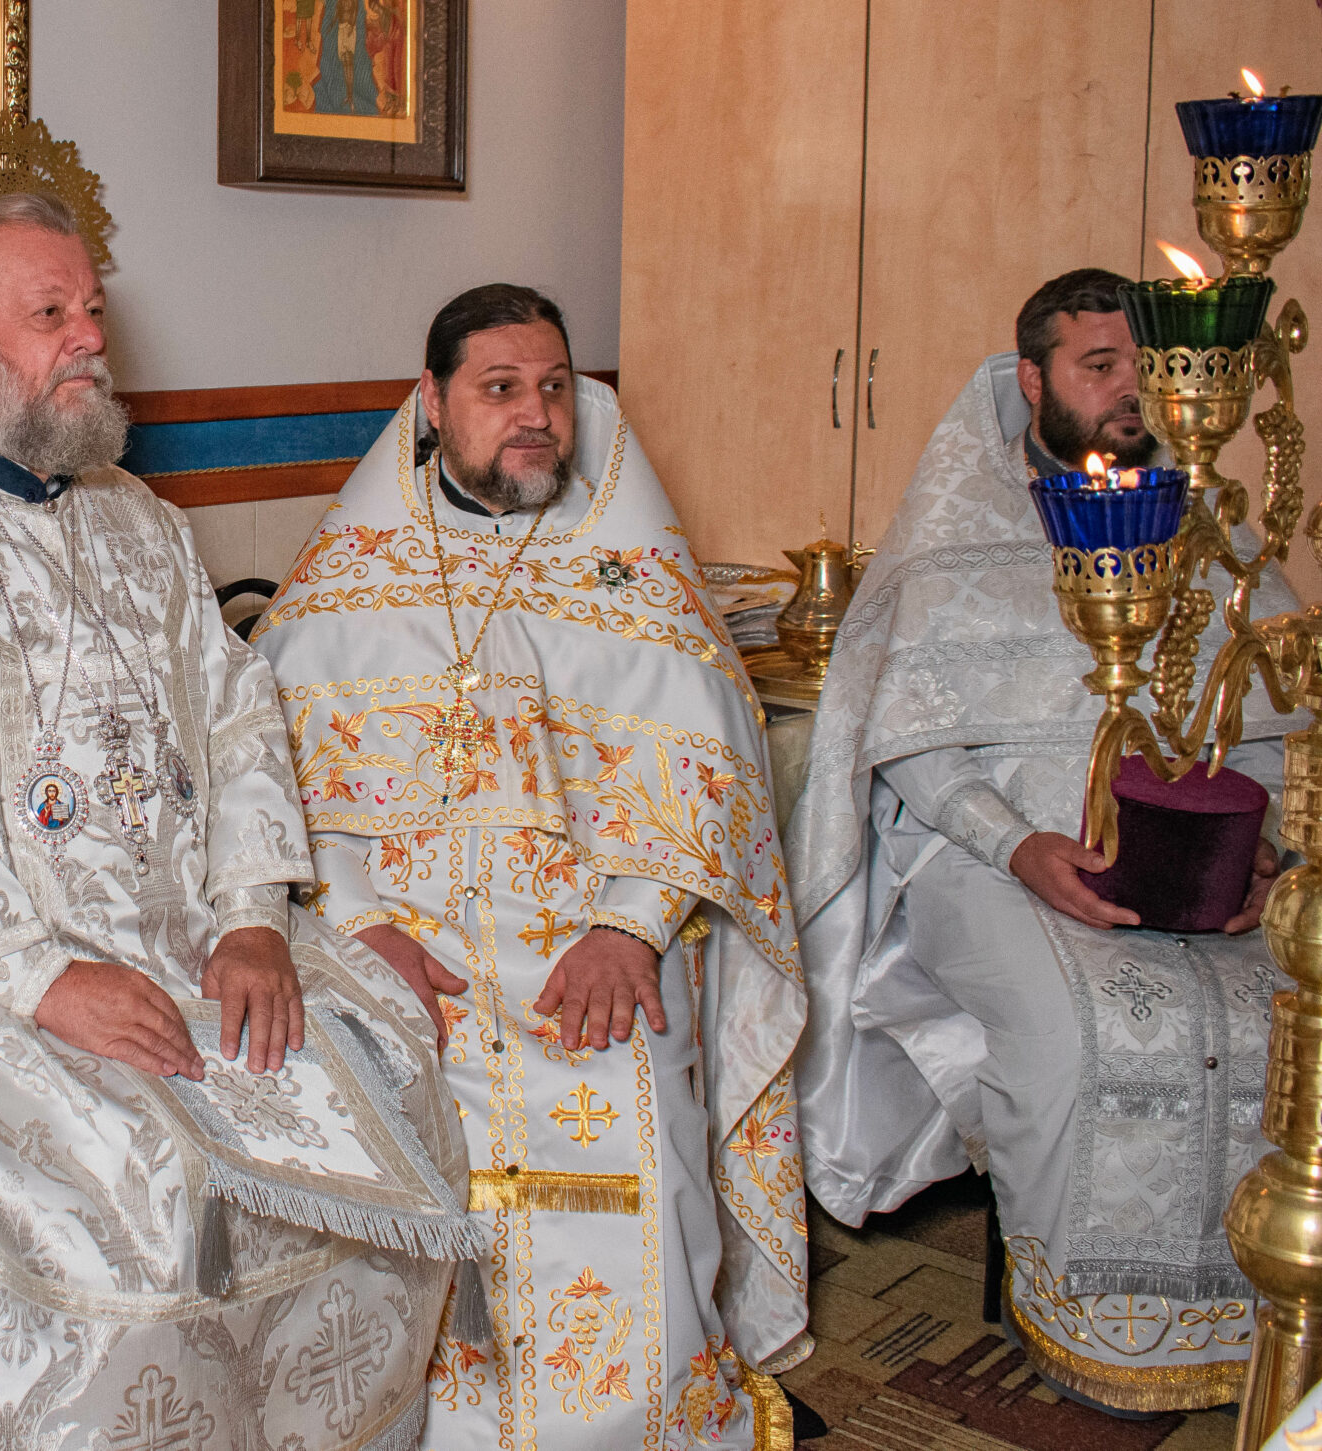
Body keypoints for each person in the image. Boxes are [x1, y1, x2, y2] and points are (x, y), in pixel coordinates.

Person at [0, 191, 473, 1451]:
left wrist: (253, 917)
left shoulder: (142, 523)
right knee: (145, 1187)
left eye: (91, 310)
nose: (89, 337)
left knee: (387, 1070)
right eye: (50, 314)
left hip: (195, 940)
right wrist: (41, 982)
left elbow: (238, 718)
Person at [253, 284, 812, 1447]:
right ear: (430, 402)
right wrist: (357, 926)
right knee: (359, 1097)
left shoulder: (629, 571)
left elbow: (713, 778)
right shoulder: (350, 575)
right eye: (499, 388)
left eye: (553, 387)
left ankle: (638, 1422)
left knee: (634, 1088)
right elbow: (277, 778)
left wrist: (631, 929)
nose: (535, 415)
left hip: (591, 940)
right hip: (407, 943)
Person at [791, 268, 1306, 1416]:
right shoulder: (955, 532)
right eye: (1098, 366)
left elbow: (1273, 705)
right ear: (1031, 379)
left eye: (1143, 367)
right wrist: (1020, 846)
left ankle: (1271, 1318)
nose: (1130, 392)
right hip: (989, 858)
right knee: (1086, 1033)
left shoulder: (1200, 519)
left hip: (1204, 865)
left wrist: (1259, 850)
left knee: (1284, 1018)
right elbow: (910, 743)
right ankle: (1099, 1334)